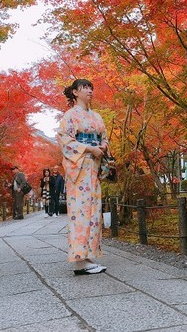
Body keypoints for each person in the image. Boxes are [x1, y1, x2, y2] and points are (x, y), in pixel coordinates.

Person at [57, 78, 108, 275]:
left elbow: (103, 138)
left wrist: (102, 147)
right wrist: (89, 148)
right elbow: (65, 141)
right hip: (79, 168)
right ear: (75, 92)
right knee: (80, 210)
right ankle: (79, 261)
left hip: (93, 167)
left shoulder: (96, 116)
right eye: (85, 88)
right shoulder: (70, 116)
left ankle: (87, 256)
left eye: (91, 88)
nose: (89, 91)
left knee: (93, 211)